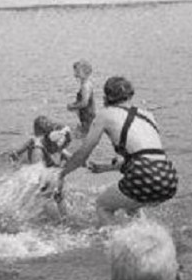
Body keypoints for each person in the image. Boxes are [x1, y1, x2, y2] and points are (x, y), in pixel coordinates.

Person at [56, 77, 178, 225]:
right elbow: (145, 156)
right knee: (132, 206)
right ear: (131, 95)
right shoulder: (148, 115)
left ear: (105, 97)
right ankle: (148, 238)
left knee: (102, 206)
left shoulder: (105, 115)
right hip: (168, 177)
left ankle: (121, 243)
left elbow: (82, 154)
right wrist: (107, 168)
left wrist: (60, 174)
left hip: (144, 175)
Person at [66, 59, 95, 135]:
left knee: (85, 133)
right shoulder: (86, 84)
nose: (75, 74)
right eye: (75, 71)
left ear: (86, 73)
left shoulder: (85, 86)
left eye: (78, 72)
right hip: (87, 114)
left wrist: (73, 107)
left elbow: (84, 103)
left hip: (87, 115)